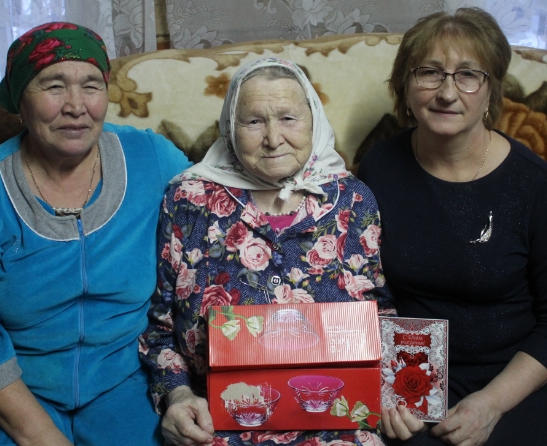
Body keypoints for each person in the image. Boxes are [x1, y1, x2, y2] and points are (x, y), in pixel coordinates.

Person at [0, 22, 191, 445]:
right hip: (17, 393)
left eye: (91, 86)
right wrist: (44, 438)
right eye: (54, 86)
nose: (76, 106)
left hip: (125, 382)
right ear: (21, 100)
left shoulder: (152, 158)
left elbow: (226, 197)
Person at [358, 8, 547, 446]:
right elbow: (360, 290)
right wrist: (388, 386)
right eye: (429, 73)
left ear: (490, 90)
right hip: (416, 373)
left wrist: (491, 404)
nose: (447, 93)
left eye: (468, 75)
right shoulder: (378, 167)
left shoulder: (537, 184)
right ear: (405, 85)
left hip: (523, 376)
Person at [140, 57, 394, 446]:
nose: (273, 138)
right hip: (218, 423)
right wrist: (177, 396)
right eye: (254, 121)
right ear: (230, 127)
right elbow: (160, 328)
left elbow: (381, 315)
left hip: (338, 423)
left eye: (288, 118)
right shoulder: (188, 200)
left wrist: (395, 395)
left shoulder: (354, 199)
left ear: (314, 121)